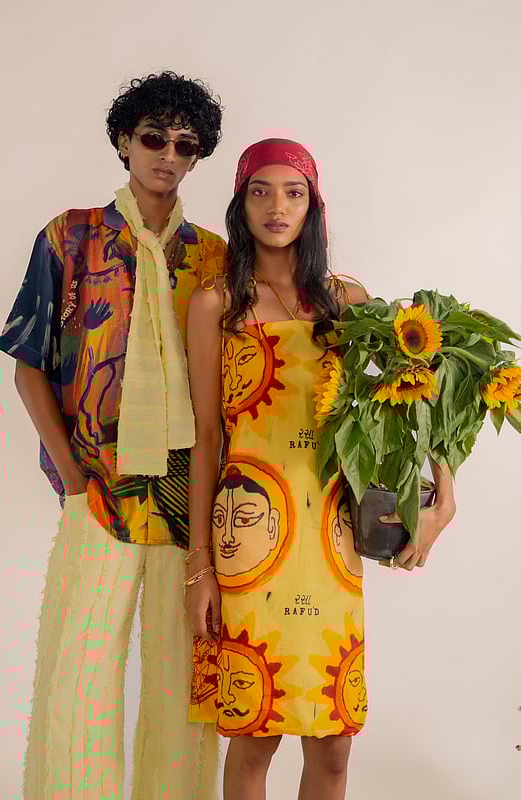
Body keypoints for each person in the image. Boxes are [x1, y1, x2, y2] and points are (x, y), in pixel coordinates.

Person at [184, 139, 457, 800]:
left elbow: (415, 396)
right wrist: (200, 568)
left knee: (334, 745)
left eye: (293, 192)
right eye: (260, 191)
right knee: (255, 735)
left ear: (314, 206)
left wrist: (443, 492)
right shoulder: (216, 303)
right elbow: (204, 438)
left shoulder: (346, 300)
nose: (276, 206)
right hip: (249, 535)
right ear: (240, 203)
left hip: (332, 535)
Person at [0, 71, 226, 800]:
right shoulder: (69, 237)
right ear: (125, 142)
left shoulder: (215, 259)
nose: (167, 155)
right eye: (154, 139)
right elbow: (29, 366)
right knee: (78, 679)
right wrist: (72, 478)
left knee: (182, 689)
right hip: (97, 491)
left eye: (185, 145)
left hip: (187, 499)